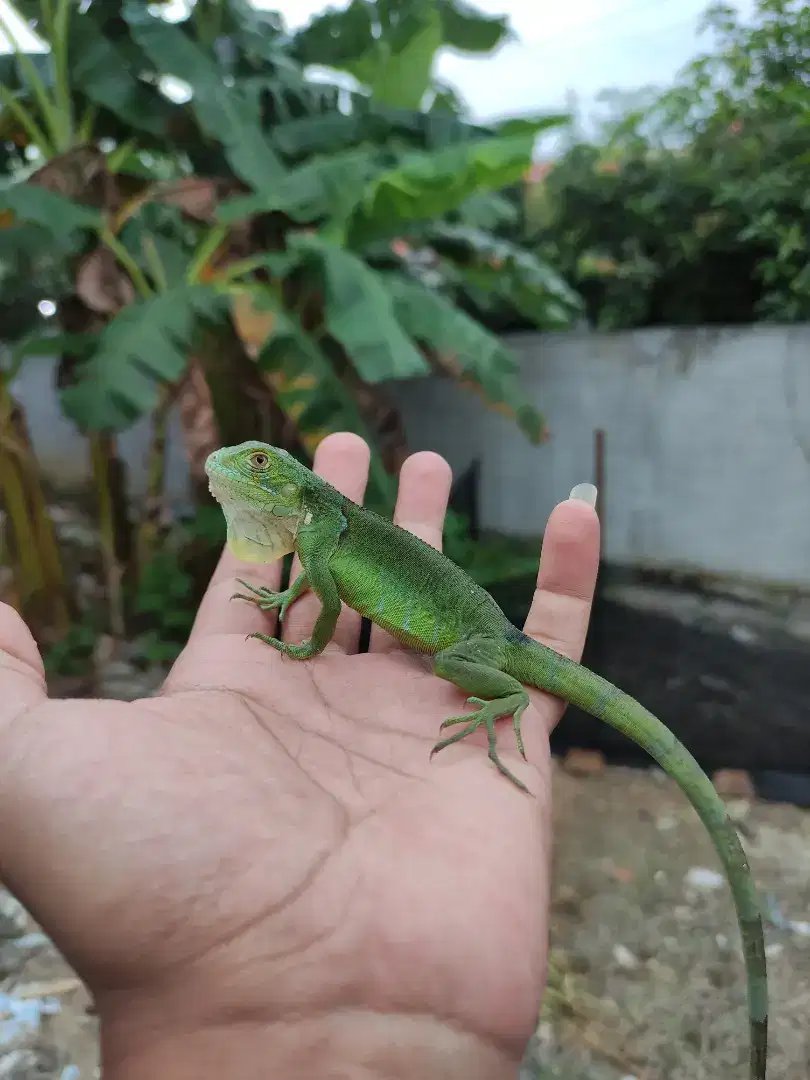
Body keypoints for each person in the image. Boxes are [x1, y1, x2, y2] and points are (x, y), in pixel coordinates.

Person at [0, 433, 600, 1079]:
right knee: (441, 652)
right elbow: (321, 590)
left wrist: (307, 652)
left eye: (258, 463)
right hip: (485, 629)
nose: (239, 469)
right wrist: (289, 599)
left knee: (452, 663)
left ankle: (506, 699)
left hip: (485, 647)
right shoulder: (317, 530)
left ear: (292, 485)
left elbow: (332, 604)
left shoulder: (321, 530)